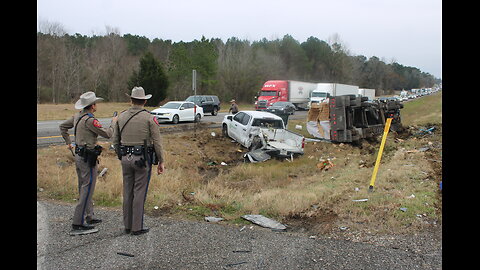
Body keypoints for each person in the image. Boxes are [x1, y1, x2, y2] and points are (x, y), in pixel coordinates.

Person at [59, 91, 117, 235]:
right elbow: (108, 134)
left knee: (84, 186)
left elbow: (62, 127)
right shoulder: (90, 121)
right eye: (96, 103)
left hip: (79, 156)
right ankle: (78, 223)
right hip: (87, 158)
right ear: (92, 106)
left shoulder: (78, 116)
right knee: (87, 187)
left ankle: (89, 216)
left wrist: (69, 143)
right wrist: (113, 123)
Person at [112, 86, 165, 236]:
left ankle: (127, 225)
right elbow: (157, 141)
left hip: (125, 158)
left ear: (131, 100)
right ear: (145, 100)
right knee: (139, 192)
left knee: (127, 192)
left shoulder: (121, 117)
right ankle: (137, 227)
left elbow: (115, 140)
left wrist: (120, 156)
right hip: (142, 159)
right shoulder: (149, 117)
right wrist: (161, 161)